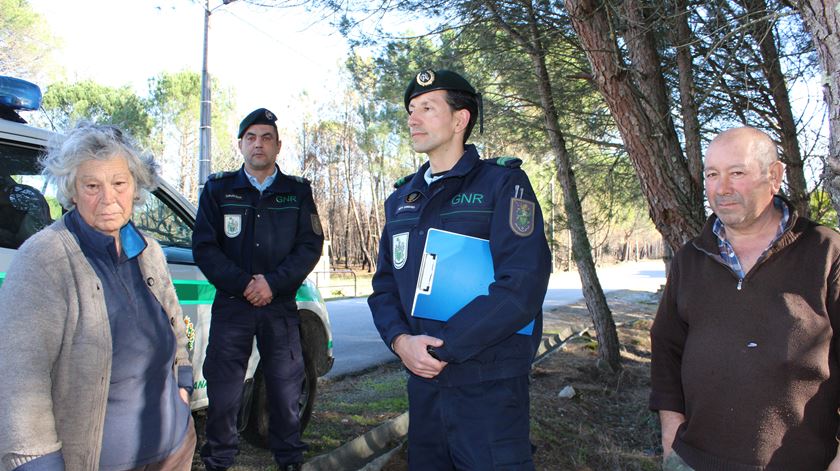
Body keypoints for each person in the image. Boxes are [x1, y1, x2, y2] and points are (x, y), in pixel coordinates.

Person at [368, 69, 551, 470]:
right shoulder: (401, 198)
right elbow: (383, 287)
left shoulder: (503, 184)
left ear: (460, 119)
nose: (413, 118)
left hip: (489, 388)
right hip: (425, 387)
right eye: (411, 110)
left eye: (427, 108)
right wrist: (401, 342)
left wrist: (443, 347)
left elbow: (523, 284)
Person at [0, 122, 195, 470]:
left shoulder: (148, 251)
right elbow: (18, 382)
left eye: (119, 183)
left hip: (174, 450)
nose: (108, 198)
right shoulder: (43, 259)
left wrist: (183, 389)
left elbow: (175, 328)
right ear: (72, 190)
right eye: (92, 185)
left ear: (135, 187)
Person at [650, 126, 840, 471]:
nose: (722, 188)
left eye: (737, 173)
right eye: (712, 174)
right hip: (694, 461)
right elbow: (666, 348)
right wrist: (671, 437)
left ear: (775, 176)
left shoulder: (826, 251)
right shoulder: (690, 259)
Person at [193, 108, 324, 471]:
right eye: (251, 137)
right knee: (224, 391)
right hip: (233, 305)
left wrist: (273, 283)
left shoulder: (296, 192)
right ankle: (218, 461)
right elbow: (205, 246)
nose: (258, 144)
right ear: (240, 144)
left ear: (278, 146)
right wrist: (244, 284)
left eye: (266, 137)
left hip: (279, 307)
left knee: (284, 390)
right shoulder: (219, 189)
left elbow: (310, 245)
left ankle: (289, 461)